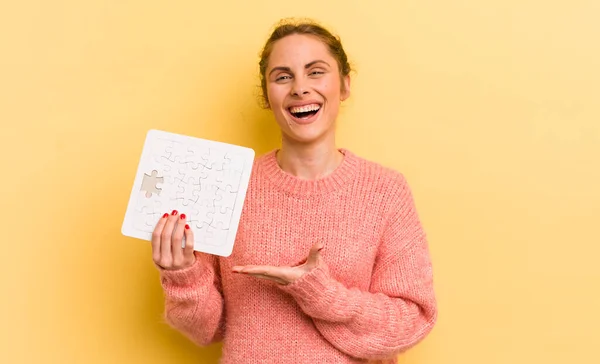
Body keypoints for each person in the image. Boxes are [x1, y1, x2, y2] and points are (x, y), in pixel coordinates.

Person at [150, 18, 438, 364]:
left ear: (344, 85)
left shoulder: (385, 191)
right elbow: (207, 330)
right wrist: (183, 275)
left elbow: (411, 321)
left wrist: (319, 292)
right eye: (283, 76)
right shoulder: (230, 184)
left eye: (316, 72)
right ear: (267, 95)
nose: (300, 88)